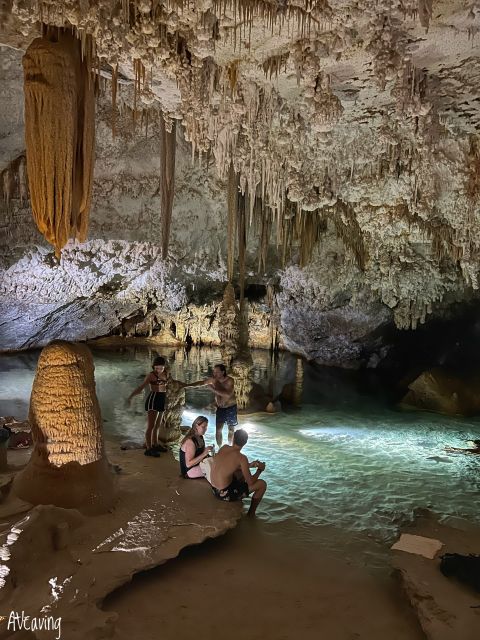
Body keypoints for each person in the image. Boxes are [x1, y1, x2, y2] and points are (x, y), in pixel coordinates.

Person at [209, 428, 266, 517]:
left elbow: (229, 464)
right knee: (262, 484)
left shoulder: (224, 447)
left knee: (240, 473)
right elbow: (251, 482)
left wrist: (249, 465)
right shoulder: (242, 458)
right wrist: (260, 470)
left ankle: (239, 493)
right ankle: (251, 514)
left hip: (213, 489)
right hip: (224, 495)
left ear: (233, 438)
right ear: (245, 443)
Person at [127, 356, 169, 457]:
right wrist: (130, 397)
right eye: (157, 368)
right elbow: (141, 387)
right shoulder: (151, 375)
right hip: (153, 400)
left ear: (164, 367)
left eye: (161, 368)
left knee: (158, 425)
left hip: (162, 399)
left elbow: (167, 388)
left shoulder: (166, 374)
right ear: (153, 367)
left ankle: (155, 444)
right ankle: (149, 448)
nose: (159, 370)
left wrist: (167, 401)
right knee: (151, 426)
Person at [188, 364, 238, 446]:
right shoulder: (213, 380)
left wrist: (213, 389)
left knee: (231, 429)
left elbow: (228, 394)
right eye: (214, 372)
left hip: (230, 408)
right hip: (220, 408)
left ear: (223, 372)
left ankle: (230, 447)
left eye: (217, 372)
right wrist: (186, 386)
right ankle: (219, 448)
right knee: (218, 429)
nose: (215, 374)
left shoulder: (230, 380)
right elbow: (201, 383)